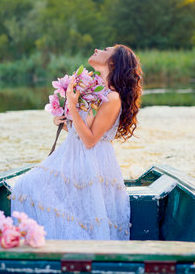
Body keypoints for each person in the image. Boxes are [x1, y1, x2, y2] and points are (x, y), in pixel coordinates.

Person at [10, 44, 143, 240]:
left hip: (91, 161)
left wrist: (72, 106)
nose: (98, 49)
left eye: (105, 49)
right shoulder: (95, 90)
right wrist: (62, 121)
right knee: (25, 186)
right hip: (75, 157)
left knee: (26, 186)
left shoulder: (113, 97)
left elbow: (90, 140)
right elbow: (81, 132)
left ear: (112, 62)